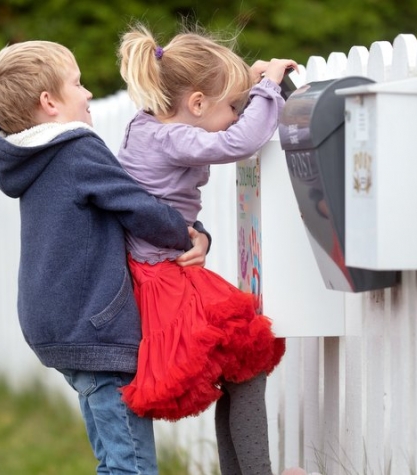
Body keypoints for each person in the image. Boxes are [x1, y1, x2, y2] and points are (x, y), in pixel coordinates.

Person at [0, 40, 211, 475]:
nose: (87, 94)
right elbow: (135, 206)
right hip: (96, 326)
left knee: (113, 459)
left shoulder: (32, 158)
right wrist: (188, 234)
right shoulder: (75, 149)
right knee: (131, 466)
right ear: (49, 102)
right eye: (77, 83)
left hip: (60, 325)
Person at [115, 23, 297, 475]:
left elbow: (164, 201)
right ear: (196, 103)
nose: (237, 115)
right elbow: (238, 141)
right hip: (165, 279)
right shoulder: (171, 137)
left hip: (163, 266)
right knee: (245, 364)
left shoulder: (146, 125)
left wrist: (199, 233)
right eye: (233, 106)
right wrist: (269, 87)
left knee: (238, 372)